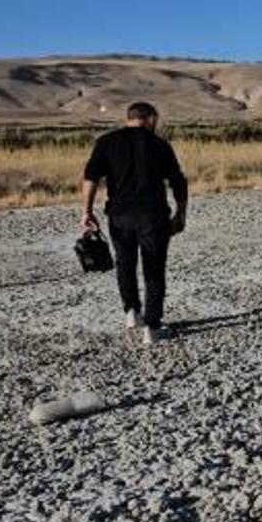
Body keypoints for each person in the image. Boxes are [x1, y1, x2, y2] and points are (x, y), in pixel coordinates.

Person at [80, 102, 187, 345]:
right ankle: (152, 326)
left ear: (129, 118)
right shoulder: (160, 145)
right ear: (151, 118)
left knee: (125, 263)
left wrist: (86, 211)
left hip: (119, 215)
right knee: (154, 268)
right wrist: (181, 214)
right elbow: (178, 181)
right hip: (153, 216)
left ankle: (131, 312)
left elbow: (91, 176)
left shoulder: (106, 142)